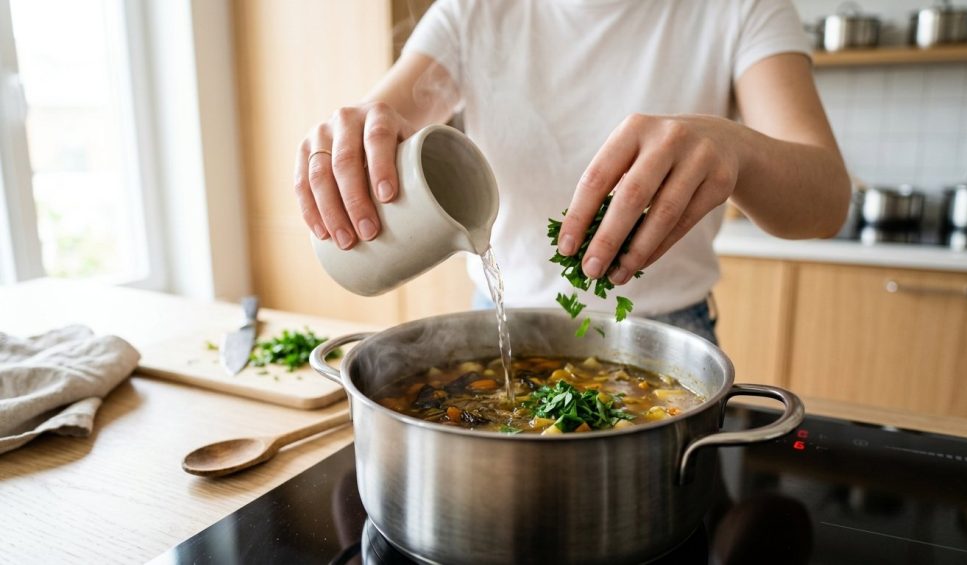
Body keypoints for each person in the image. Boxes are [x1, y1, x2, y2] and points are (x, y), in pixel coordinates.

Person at [293, 0, 850, 344]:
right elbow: (384, 123)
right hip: (501, 321)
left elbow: (827, 202)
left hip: (669, 334)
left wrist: (737, 148)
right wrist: (356, 140)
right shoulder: (472, 12)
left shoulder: (742, 7)